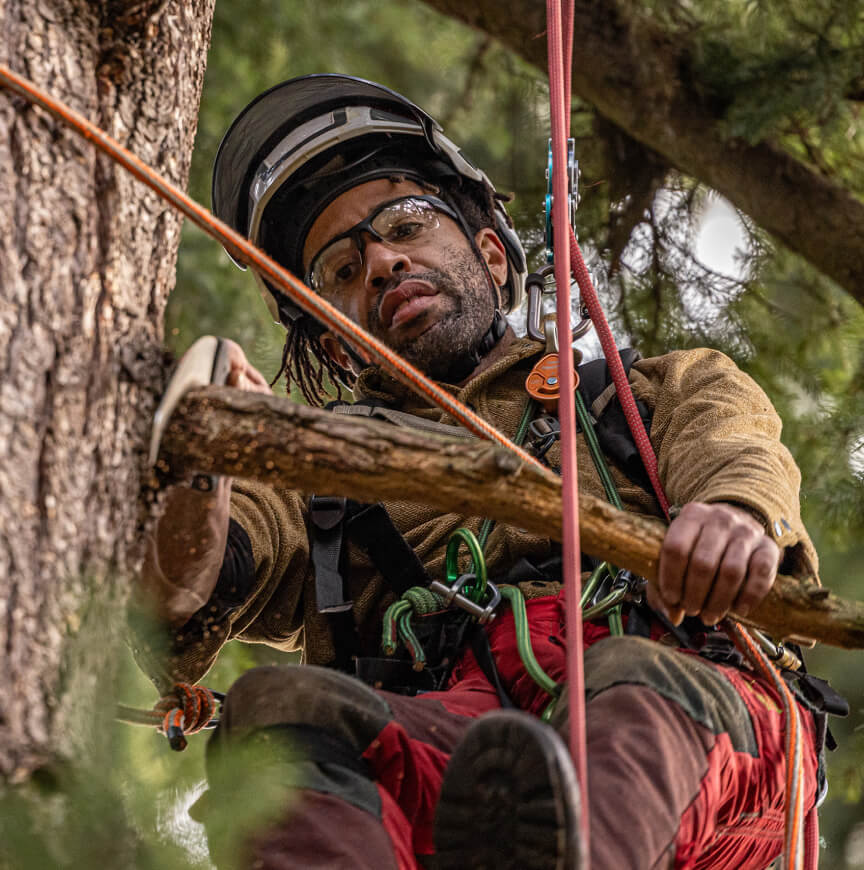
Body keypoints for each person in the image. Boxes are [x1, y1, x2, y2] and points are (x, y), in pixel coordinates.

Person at [140, 75, 832, 870]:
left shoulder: (637, 395)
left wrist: (734, 518)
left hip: (691, 716)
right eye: (337, 269)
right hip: (458, 739)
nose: (382, 262)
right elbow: (184, 594)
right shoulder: (313, 473)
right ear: (335, 342)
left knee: (628, 686)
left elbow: (733, 446)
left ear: (490, 252)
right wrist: (204, 464)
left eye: (404, 224)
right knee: (277, 710)